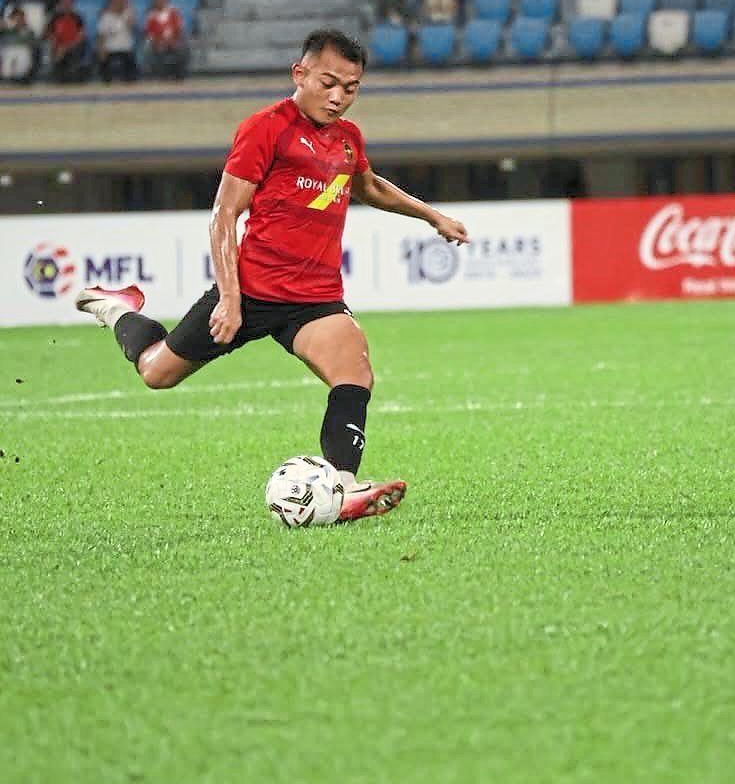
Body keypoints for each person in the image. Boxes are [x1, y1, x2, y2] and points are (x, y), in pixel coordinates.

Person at [75, 29, 470, 523]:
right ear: (299, 74)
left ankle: (341, 490)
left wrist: (431, 216)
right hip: (252, 290)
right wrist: (231, 299)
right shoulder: (265, 129)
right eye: (329, 82)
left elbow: (367, 186)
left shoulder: (348, 139)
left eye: (351, 87)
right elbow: (224, 215)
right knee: (157, 373)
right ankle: (118, 308)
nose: (338, 96)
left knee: (354, 373)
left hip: (315, 297)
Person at [143, 0, 190, 78]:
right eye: (158, 0)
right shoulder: (151, 15)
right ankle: (162, 76)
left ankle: (180, 76)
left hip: (173, 41)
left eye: (162, 0)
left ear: (166, 0)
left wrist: (174, 41)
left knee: (182, 50)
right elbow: (149, 34)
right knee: (156, 51)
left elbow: (179, 29)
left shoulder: (174, 12)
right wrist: (157, 42)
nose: (160, 2)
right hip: (158, 43)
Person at [45, 0, 89, 82]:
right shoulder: (55, 17)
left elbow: (81, 36)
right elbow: (50, 34)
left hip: (73, 46)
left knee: (75, 50)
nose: (66, 5)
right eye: (64, 2)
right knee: (53, 51)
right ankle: (57, 77)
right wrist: (57, 45)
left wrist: (66, 47)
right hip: (58, 46)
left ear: (72, 4)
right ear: (60, 3)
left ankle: (72, 77)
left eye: (68, 2)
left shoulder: (78, 18)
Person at [96, 0, 137, 82]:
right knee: (103, 60)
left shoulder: (128, 14)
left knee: (131, 66)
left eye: (123, 0)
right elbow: (101, 36)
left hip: (126, 49)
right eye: (118, 0)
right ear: (113, 1)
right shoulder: (106, 17)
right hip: (110, 50)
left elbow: (132, 28)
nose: (121, 2)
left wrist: (129, 13)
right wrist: (101, 50)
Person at [0, 6, 39, 83]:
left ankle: (17, 77)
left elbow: (33, 46)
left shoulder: (29, 31)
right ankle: (6, 77)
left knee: (23, 52)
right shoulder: (5, 30)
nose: (18, 20)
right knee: (8, 55)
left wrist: (20, 29)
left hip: (23, 57)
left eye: (20, 17)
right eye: (15, 18)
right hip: (6, 54)